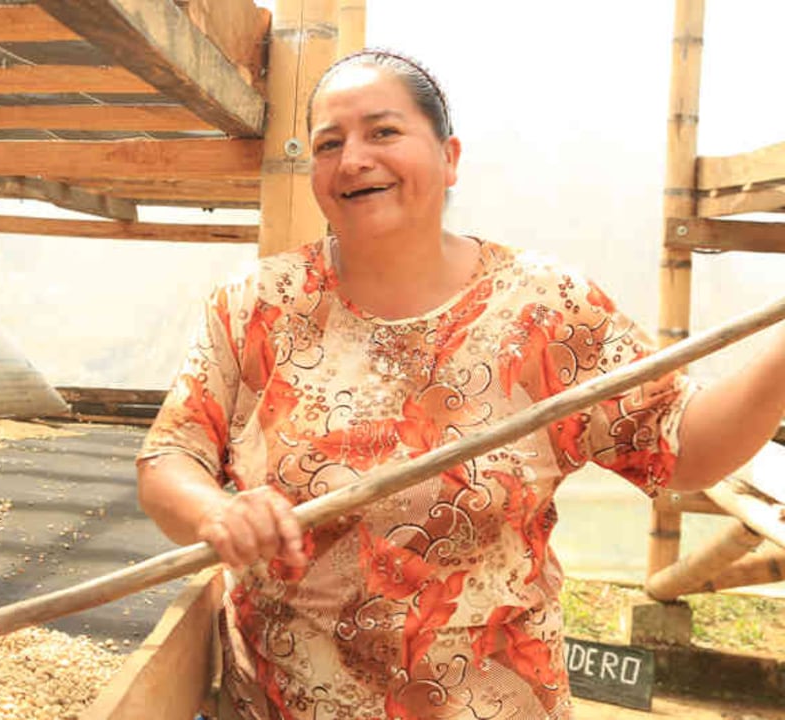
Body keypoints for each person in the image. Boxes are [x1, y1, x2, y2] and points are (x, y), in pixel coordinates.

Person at [136, 49, 785, 720]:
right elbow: (168, 459)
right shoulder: (257, 304)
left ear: (449, 156)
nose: (353, 157)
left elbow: (683, 449)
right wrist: (216, 513)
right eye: (330, 144)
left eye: (383, 131)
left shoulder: (543, 308)